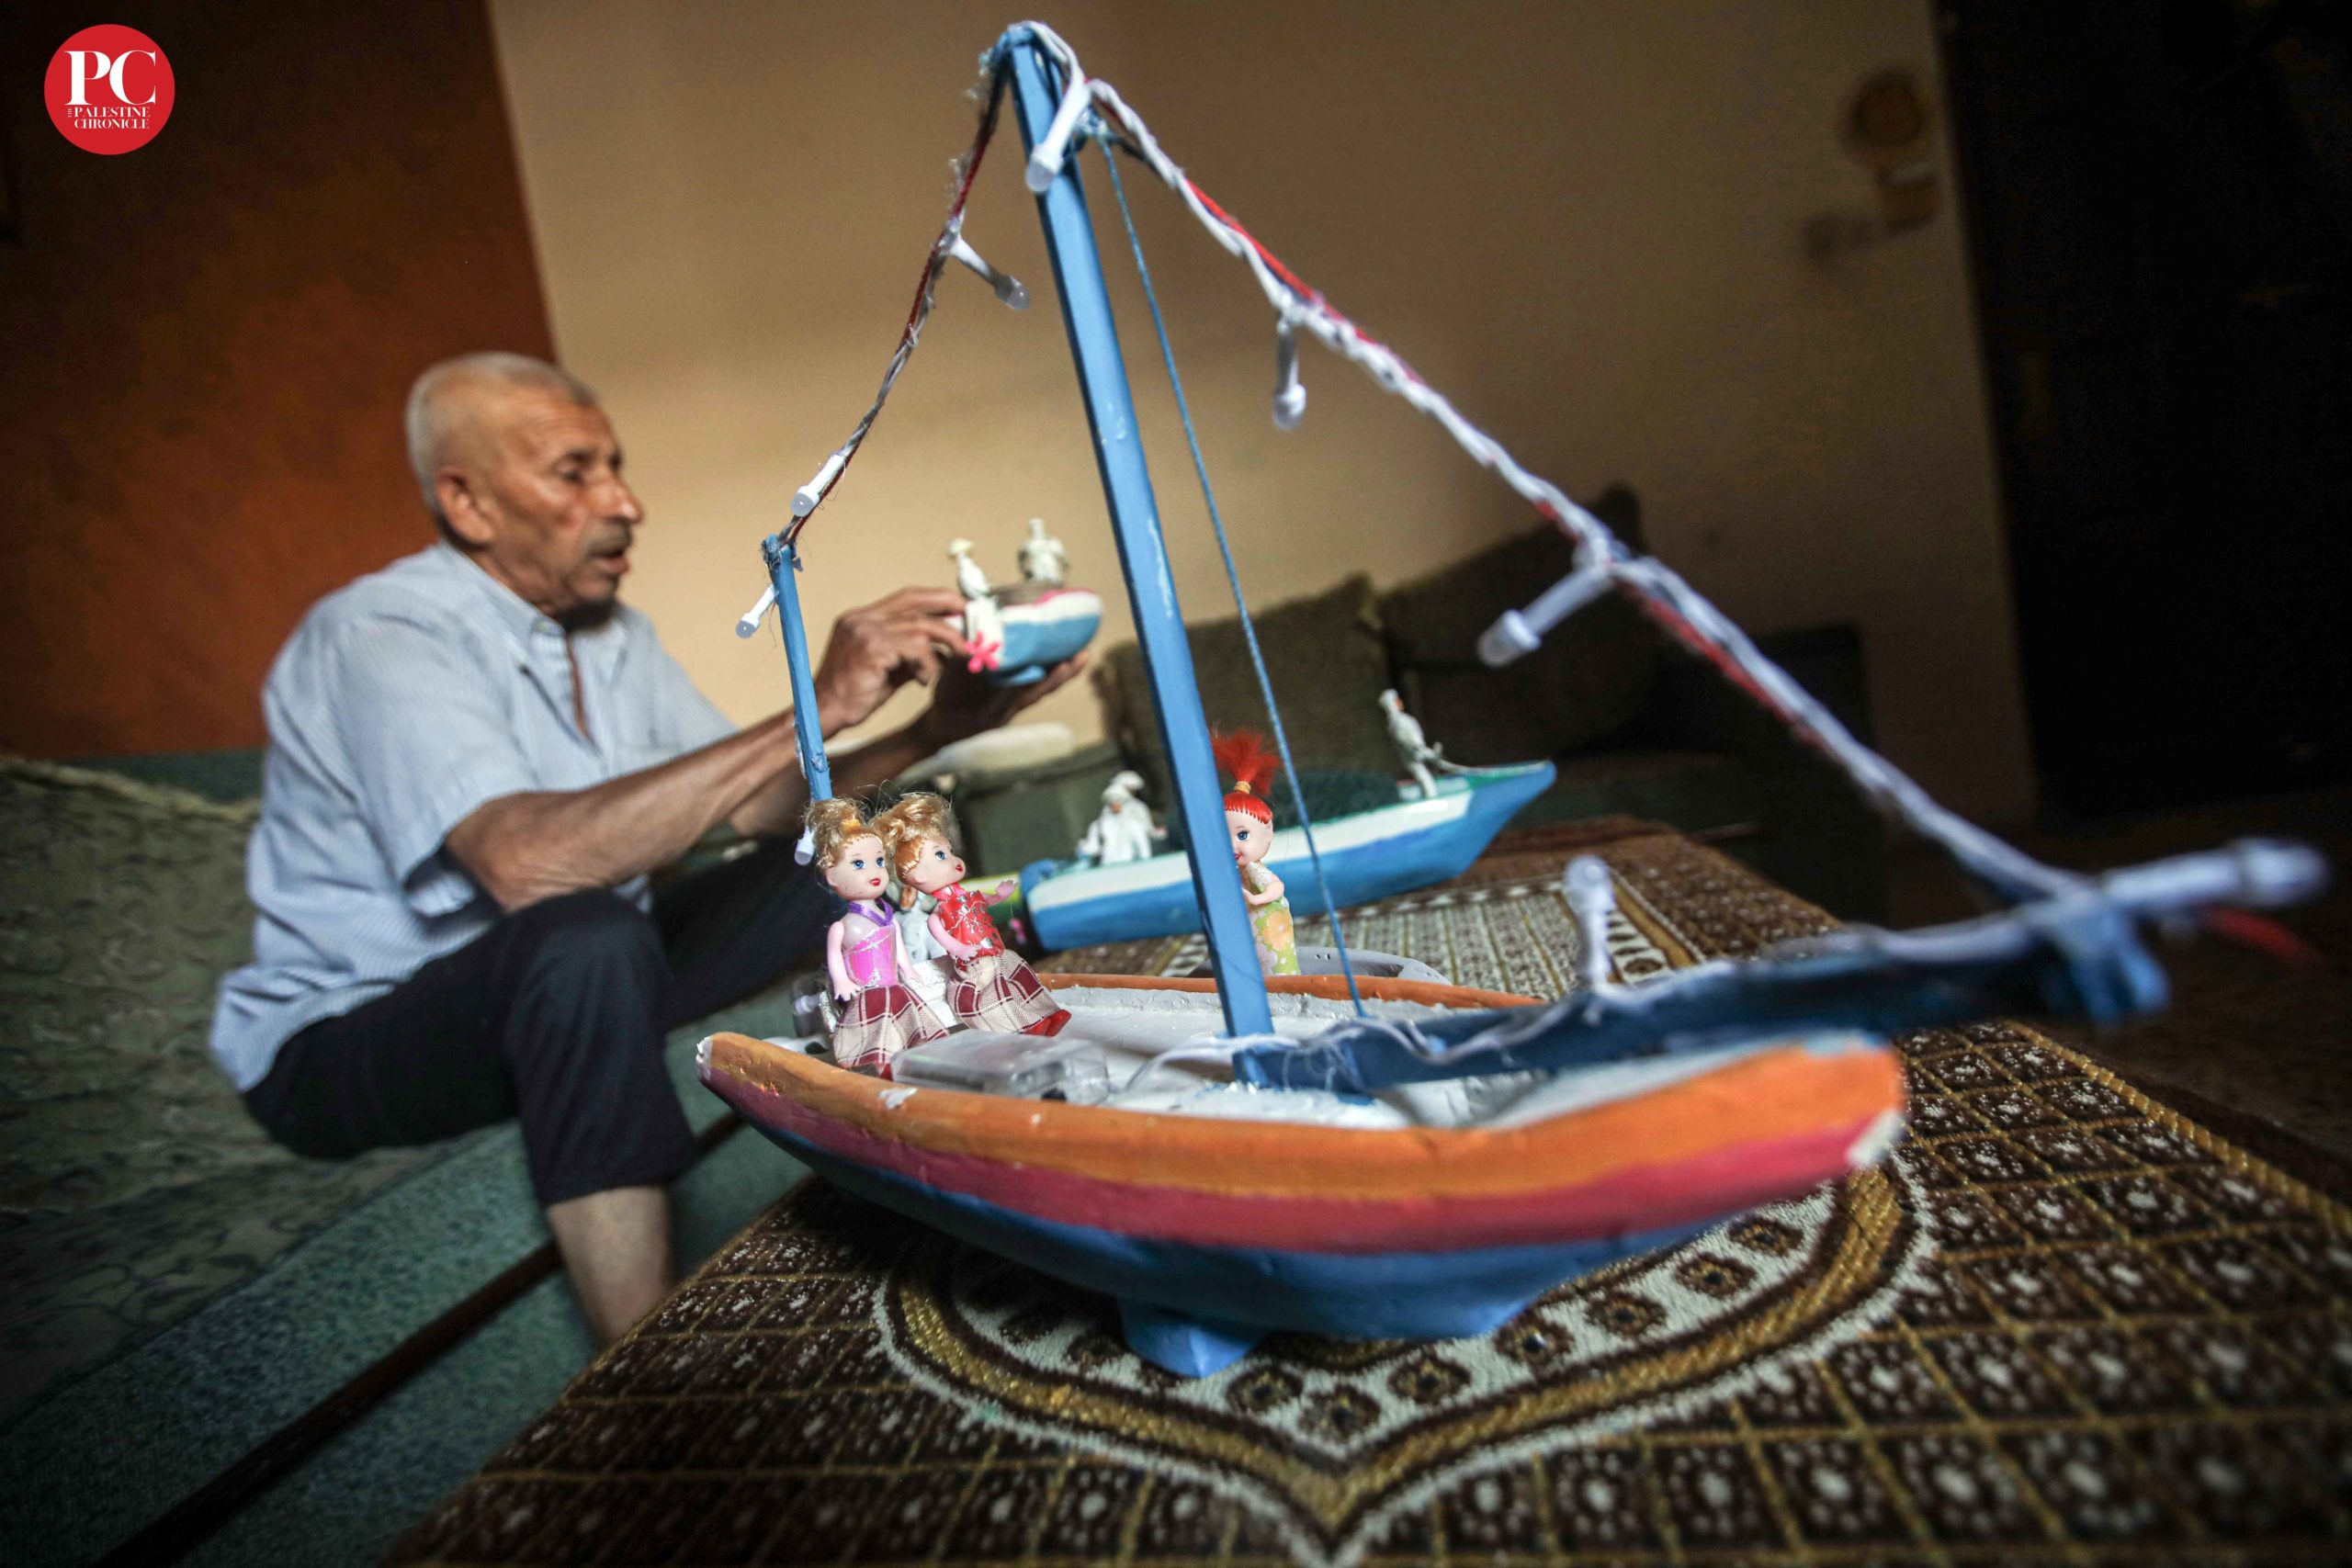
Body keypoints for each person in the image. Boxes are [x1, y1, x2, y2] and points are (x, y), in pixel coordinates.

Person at [209, 352, 1080, 1343]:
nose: (626, 503)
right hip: (350, 1041)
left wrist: (931, 728)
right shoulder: (380, 633)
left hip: (574, 973)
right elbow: (524, 866)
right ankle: (644, 1379)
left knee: (844, 851)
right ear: (468, 503)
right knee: (582, 937)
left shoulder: (610, 634)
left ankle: (991, 1111)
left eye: (615, 467)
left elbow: (753, 802)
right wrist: (820, 701)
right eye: (574, 473)